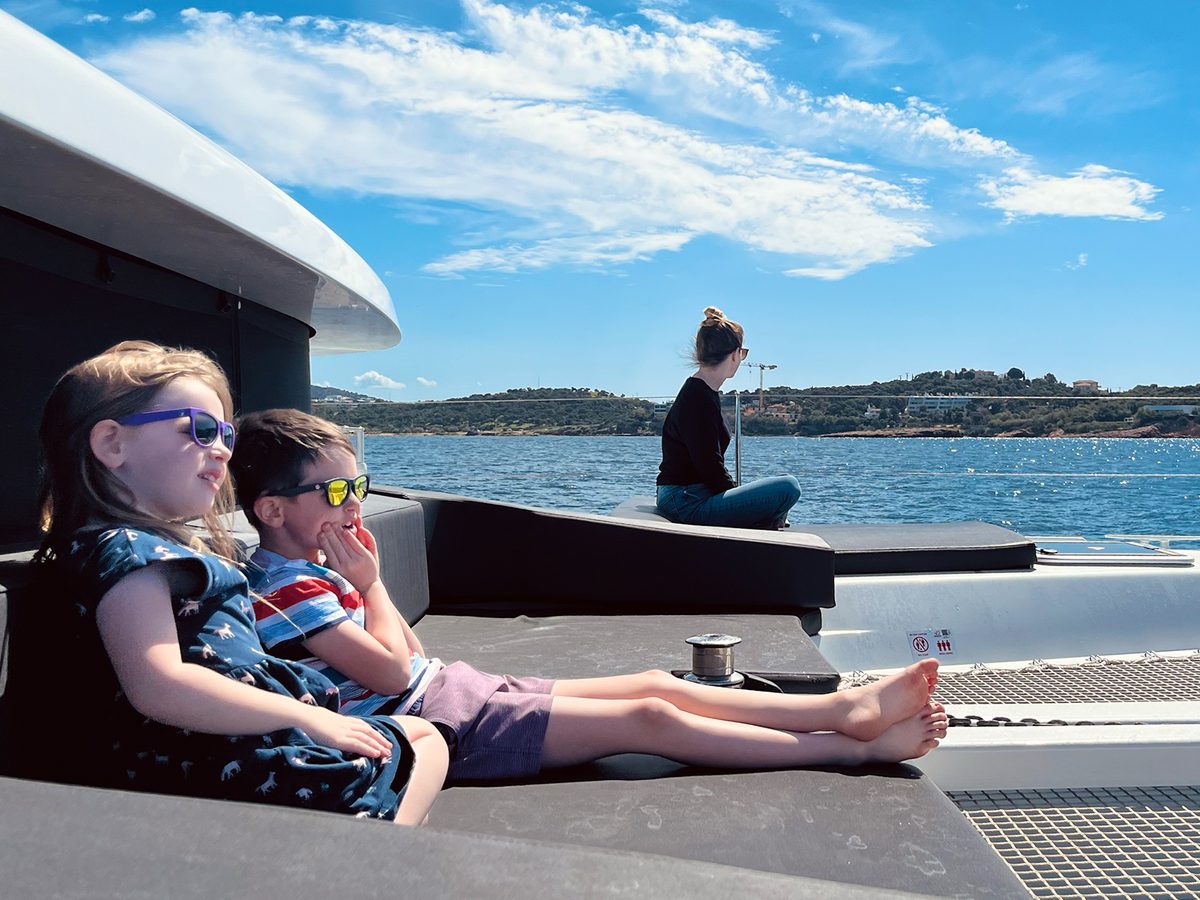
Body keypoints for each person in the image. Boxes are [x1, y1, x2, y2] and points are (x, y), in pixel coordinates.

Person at [231, 408, 947, 785]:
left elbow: (411, 658)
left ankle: (837, 709)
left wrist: (365, 591)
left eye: (358, 486)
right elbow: (392, 675)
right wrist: (372, 586)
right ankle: (845, 751)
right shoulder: (286, 589)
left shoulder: (315, 570)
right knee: (648, 716)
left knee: (654, 681)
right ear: (271, 510)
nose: (353, 505)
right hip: (433, 726)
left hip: (446, 690)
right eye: (333, 491)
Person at [32, 341, 446, 824]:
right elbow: (159, 685)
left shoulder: (141, 550)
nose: (223, 449)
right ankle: (378, 841)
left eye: (226, 434)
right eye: (201, 431)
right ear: (112, 444)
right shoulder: (130, 553)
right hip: (234, 761)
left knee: (417, 733)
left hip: (240, 742)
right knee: (422, 737)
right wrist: (306, 717)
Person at [656, 307, 801, 528]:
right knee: (788, 487)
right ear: (735, 354)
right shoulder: (698, 399)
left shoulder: (702, 392)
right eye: (743, 353)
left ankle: (767, 523)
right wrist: (740, 499)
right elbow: (710, 467)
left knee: (776, 493)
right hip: (685, 501)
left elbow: (709, 466)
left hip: (688, 494)